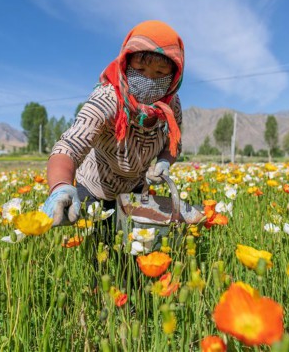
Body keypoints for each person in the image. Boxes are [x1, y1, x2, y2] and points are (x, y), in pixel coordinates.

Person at [42, 20, 184, 228]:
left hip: (136, 191)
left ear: (175, 75)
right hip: (94, 189)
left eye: (160, 73)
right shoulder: (107, 98)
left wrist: (163, 162)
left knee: (130, 254)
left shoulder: (171, 106)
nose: (149, 80)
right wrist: (61, 186)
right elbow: (70, 146)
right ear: (126, 65)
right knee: (99, 255)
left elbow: (173, 144)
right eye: (140, 69)